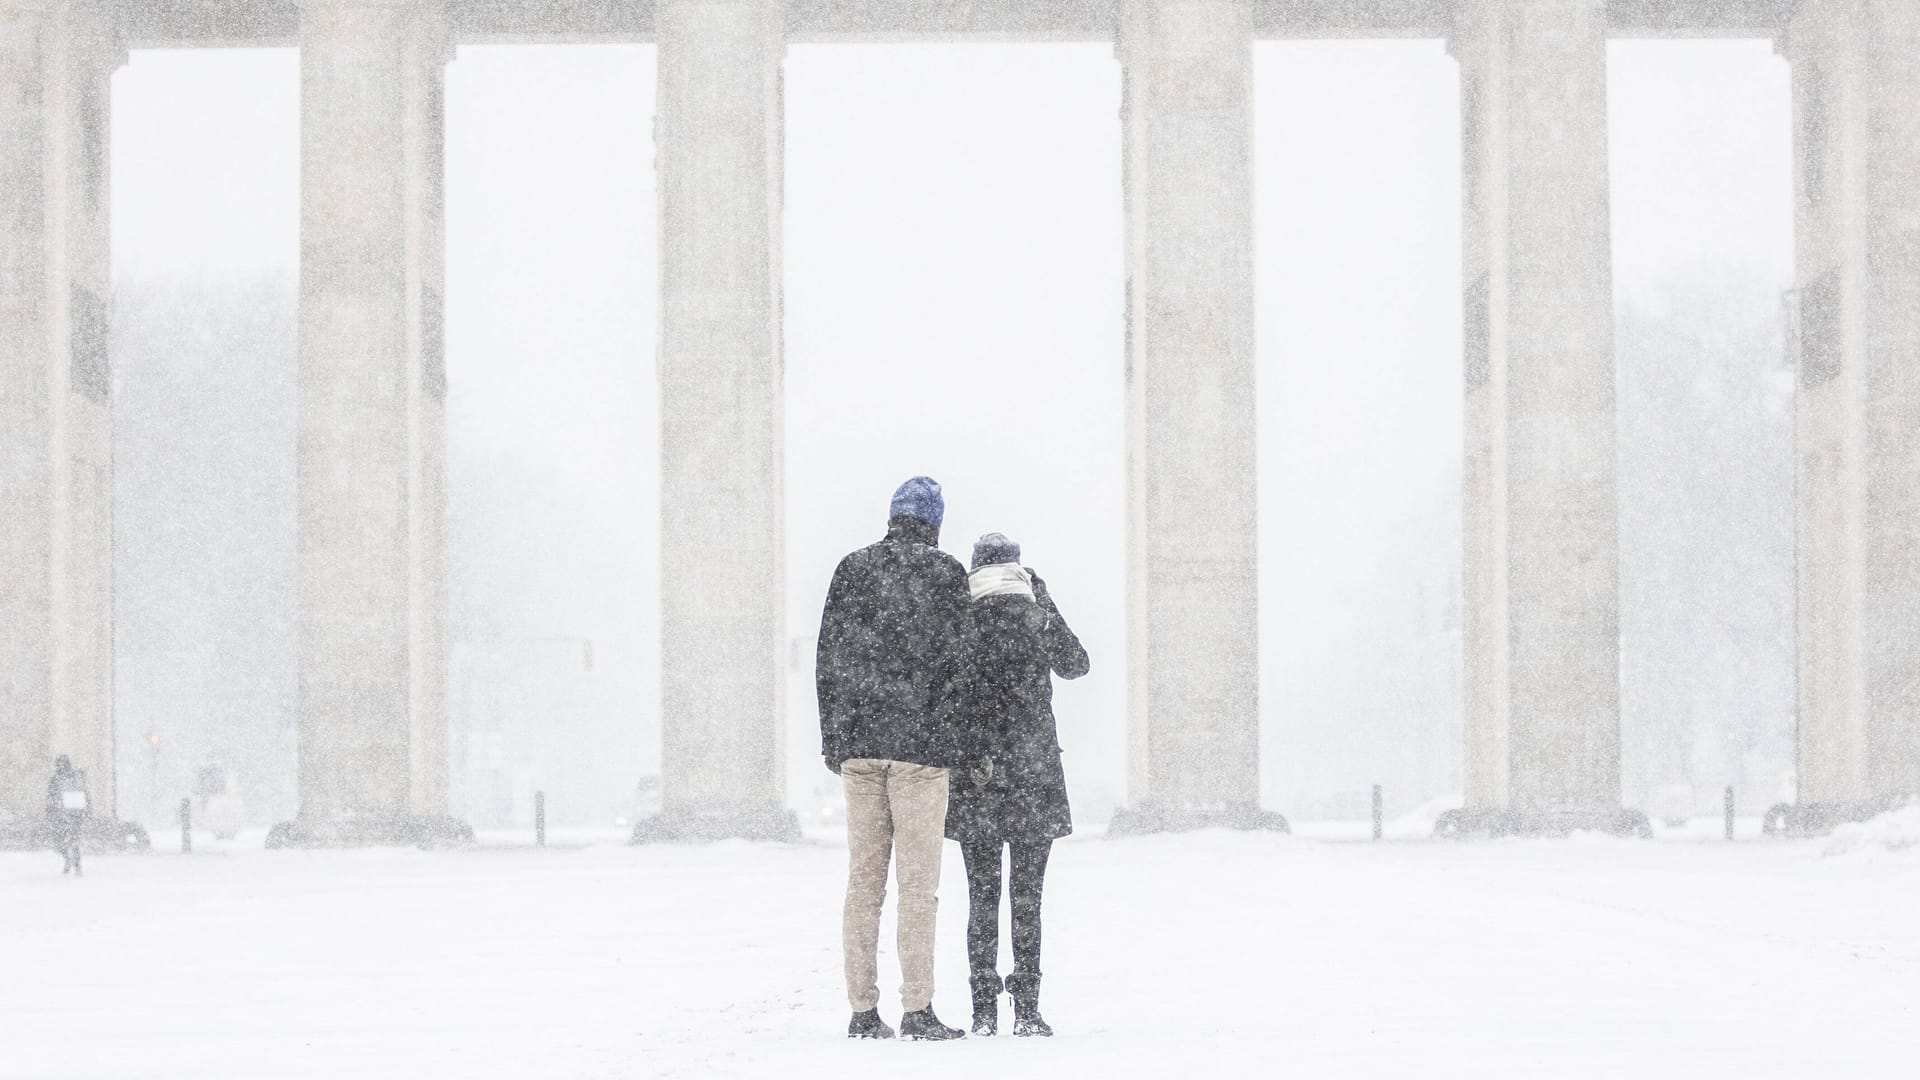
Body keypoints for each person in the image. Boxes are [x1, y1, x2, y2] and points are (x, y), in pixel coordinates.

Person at [816, 476, 972, 1041]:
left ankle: (861, 1009)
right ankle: (917, 1007)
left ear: (891, 517)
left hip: (860, 750)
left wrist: (836, 740)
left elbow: (828, 658)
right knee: (917, 886)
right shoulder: (946, 574)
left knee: (863, 883)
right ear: (934, 522)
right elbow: (962, 667)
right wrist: (953, 741)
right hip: (921, 753)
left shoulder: (852, 569)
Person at [945, 533, 1088, 1037]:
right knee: (1028, 896)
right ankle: (1027, 1007)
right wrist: (1044, 612)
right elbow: (1077, 664)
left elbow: (947, 686)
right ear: (1018, 565)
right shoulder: (1035, 605)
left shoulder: (962, 606)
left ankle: (983, 1008)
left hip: (980, 772)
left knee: (981, 897)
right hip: (1033, 771)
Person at [46, 755, 91, 876]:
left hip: (62, 815)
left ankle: (69, 861)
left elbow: (50, 798)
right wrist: (87, 811)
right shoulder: (76, 777)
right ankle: (76, 865)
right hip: (76, 814)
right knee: (74, 841)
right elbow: (86, 794)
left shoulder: (56, 779)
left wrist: (50, 812)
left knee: (61, 840)